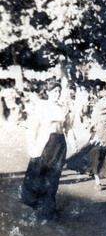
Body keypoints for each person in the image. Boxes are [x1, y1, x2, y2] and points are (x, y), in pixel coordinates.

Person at [20, 81, 71, 220]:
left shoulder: (64, 108)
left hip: (60, 145)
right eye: (54, 92)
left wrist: (74, 144)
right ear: (48, 92)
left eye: (58, 92)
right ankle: (39, 207)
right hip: (45, 144)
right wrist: (33, 147)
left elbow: (68, 128)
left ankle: (49, 210)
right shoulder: (42, 107)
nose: (57, 94)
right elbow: (33, 128)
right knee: (41, 176)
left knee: (54, 178)